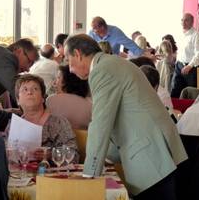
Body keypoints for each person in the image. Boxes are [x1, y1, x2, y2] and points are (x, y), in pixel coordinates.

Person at [65, 34, 187, 199]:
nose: (70, 69)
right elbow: (122, 119)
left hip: (151, 154)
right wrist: (107, 157)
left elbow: (101, 124)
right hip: (156, 148)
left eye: (68, 60)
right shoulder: (111, 63)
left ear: (78, 54)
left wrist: (88, 175)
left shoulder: (102, 70)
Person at [15, 74, 79, 162]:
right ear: (18, 100)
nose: (29, 92)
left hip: (50, 175)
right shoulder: (13, 125)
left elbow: (74, 156)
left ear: (42, 98)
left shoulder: (59, 122)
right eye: (25, 89)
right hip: (18, 174)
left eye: (35, 89)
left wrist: (50, 155)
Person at [171, 13, 199, 98]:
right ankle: (174, 110)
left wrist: (190, 66)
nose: (183, 22)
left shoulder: (197, 35)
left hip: (190, 68)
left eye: (186, 20)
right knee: (175, 91)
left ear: (192, 22)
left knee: (190, 94)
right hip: (179, 66)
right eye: (182, 20)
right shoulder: (181, 35)